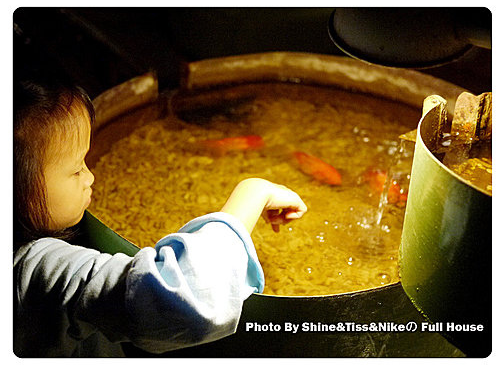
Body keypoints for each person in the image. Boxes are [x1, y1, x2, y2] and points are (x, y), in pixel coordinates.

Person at [13, 78, 307, 357]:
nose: (90, 176)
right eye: (76, 169)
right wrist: (252, 192)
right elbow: (187, 296)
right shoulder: (38, 271)